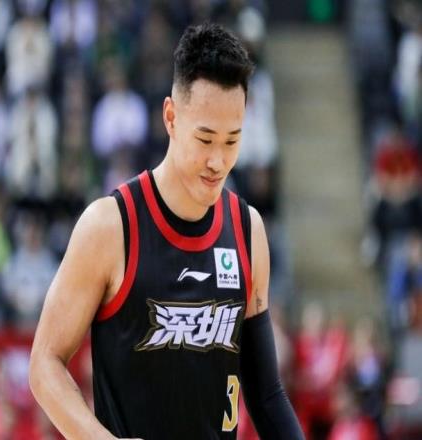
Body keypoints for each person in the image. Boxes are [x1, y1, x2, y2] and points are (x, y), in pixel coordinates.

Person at [29, 22, 304, 439]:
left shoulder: (248, 230)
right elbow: (44, 364)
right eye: (205, 139)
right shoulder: (110, 226)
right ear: (171, 118)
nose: (218, 161)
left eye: (232, 141)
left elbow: (266, 396)